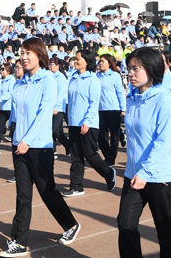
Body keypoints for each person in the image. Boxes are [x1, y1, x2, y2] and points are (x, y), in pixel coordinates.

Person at [0, 38, 80, 258]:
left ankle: (71, 224)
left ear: (39, 54)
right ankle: (19, 241)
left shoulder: (48, 80)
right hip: (19, 145)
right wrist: (16, 136)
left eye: (28, 53)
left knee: (47, 192)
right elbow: (17, 113)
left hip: (38, 147)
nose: (24, 57)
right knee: (23, 195)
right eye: (22, 53)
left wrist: (28, 140)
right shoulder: (20, 83)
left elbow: (45, 112)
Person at [116, 47, 171, 258]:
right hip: (134, 174)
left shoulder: (164, 99)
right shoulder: (131, 99)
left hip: (159, 177)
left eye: (136, 68)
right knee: (125, 224)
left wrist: (145, 172)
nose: (131, 73)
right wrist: (136, 171)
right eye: (129, 69)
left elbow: (162, 142)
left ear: (151, 69)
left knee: (165, 230)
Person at [63, 50, 117, 197]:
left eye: (78, 59)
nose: (75, 61)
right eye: (75, 59)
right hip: (74, 122)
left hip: (88, 123)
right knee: (76, 155)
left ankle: (108, 173)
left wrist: (87, 121)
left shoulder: (93, 79)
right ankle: (76, 186)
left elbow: (94, 103)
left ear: (86, 61)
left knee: (90, 154)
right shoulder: (73, 78)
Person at [96, 53, 126, 166]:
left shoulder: (115, 76)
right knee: (101, 135)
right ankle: (108, 155)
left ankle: (111, 158)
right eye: (100, 61)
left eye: (103, 61)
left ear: (109, 63)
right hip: (100, 109)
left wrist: (123, 108)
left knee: (114, 135)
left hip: (113, 109)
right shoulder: (97, 76)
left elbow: (120, 92)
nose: (100, 63)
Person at [48, 58, 71, 156]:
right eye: (49, 65)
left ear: (57, 66)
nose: (50, 67)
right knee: (50, 129)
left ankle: (68, 145)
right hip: (50, 106)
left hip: (58, 107)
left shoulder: (61, 77)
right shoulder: (49, 76)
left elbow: (61, 93)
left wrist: (56, 107)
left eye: (52, 65)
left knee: (55, 129)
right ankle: (52, 150)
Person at [0, 63, 15, 151]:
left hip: (10, 108)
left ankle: (15, 146)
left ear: (8, 71)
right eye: (0, 69)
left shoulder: (11, 80)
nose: (1, 71)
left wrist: (0, 99)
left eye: (3, 69)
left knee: (13, 128)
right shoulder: (3, 81)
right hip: (3, 108)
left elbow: (10, 93)